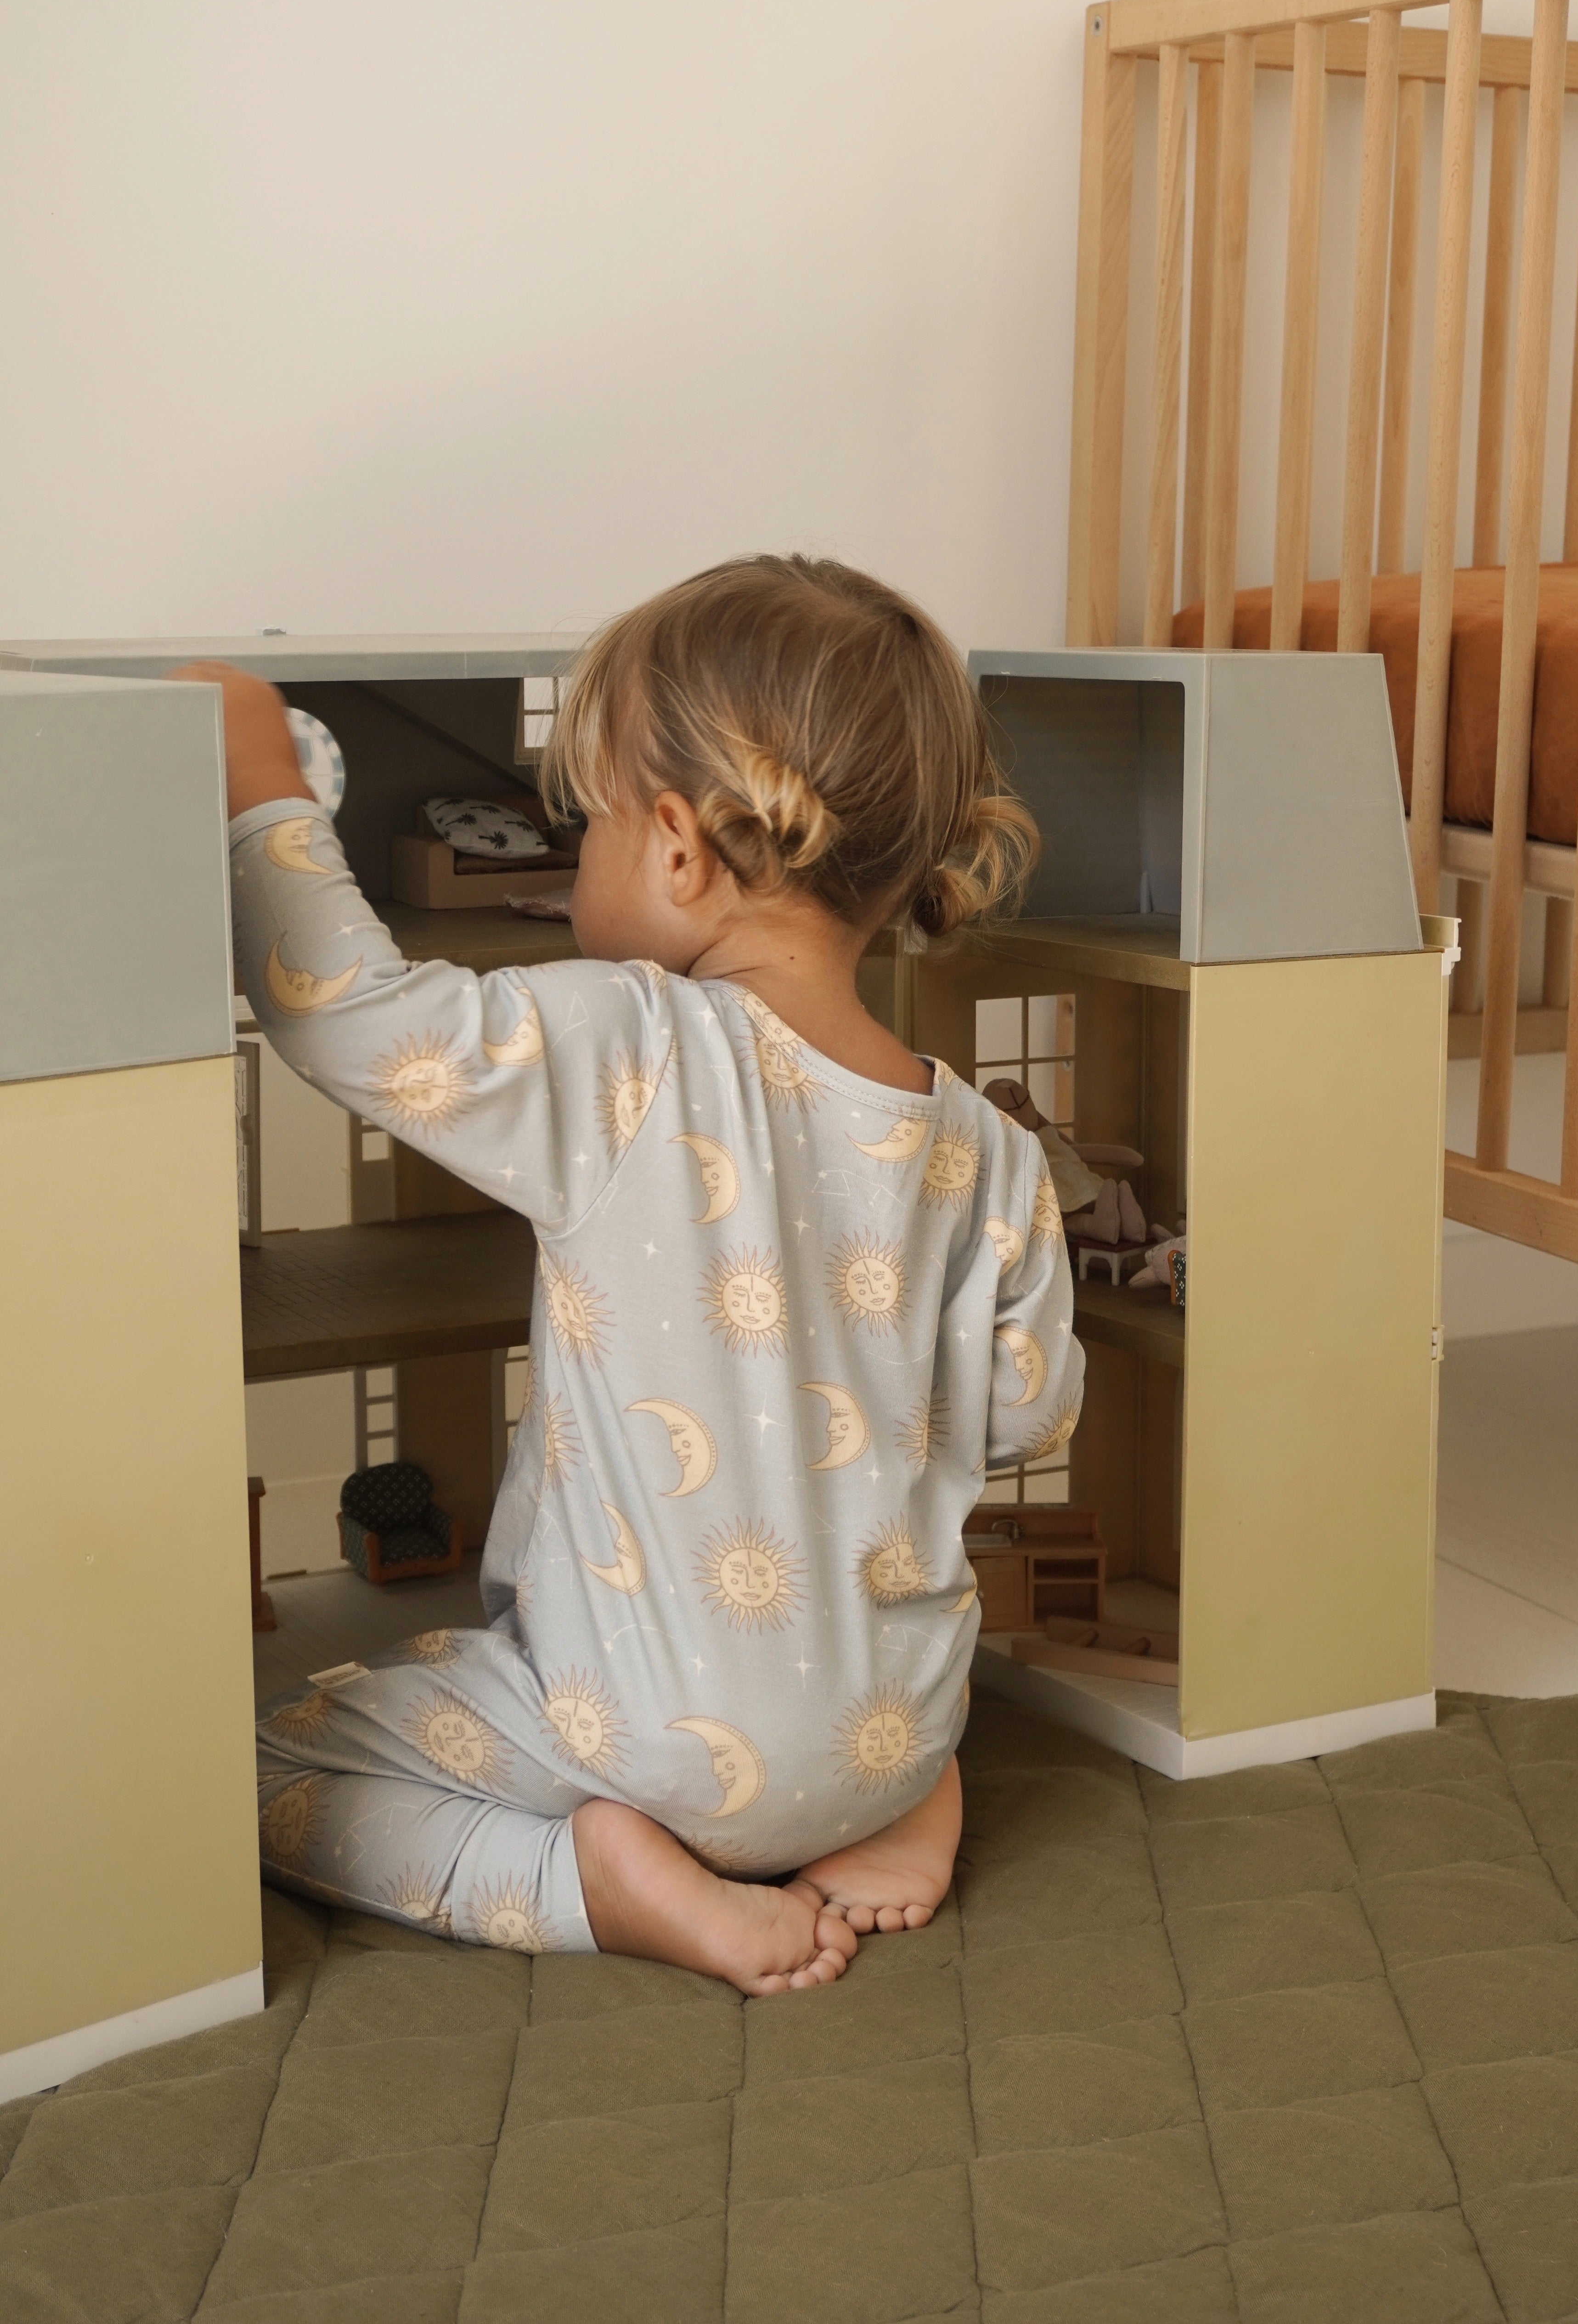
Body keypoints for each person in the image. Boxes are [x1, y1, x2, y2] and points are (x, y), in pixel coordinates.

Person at [182, 556, 1081, 1995]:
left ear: (675, 852)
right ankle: (914, 1800)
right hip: (893, 1725)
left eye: (583, 822)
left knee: (243, 1768)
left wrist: (255, 776)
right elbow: (1028, 1422)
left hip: (641, 1742)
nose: (576, 856)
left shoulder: (633, 1046)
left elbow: (354, 1018)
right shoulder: (991, 1148)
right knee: (858, 1674)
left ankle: (601, 1881)